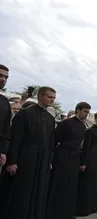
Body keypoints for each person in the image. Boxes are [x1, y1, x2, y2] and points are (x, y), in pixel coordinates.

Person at [5, 86, 56, 219]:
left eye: (54, 98)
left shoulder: (50, 118)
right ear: (40, 96)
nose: (52, 100)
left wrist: (49, 161)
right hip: (27, 157)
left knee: (40, 190)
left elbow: (51, 142)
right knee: (24, 191)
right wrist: (12, 161)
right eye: (50, 97)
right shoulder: (25, 113)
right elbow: (15, 140)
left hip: (43, 159)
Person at [46, 102, 91, 219]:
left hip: (75, 158)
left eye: (88, 112)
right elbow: (54, 140)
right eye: (85, 111)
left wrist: (82, 161)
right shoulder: (66, 123)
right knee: (60, 184)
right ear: (78, 110)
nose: (86, 114)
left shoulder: (83, 126)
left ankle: (68, 213)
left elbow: (81, 145)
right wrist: (50, 159)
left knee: (71, 186)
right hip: (62, 156)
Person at [76, 111, 97, 216]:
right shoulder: (89, 131)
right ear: (95, 118)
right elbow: (86, 147)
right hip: (91, 158)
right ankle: (85, 208)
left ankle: (94, 206)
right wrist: (84, 162)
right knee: (88, 182)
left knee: (96, 182)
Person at [0, 64, 11, 168]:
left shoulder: (4, 102)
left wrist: (3, 151)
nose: (3, 79)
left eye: (6, 77)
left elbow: (6, 130)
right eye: (0, 75)